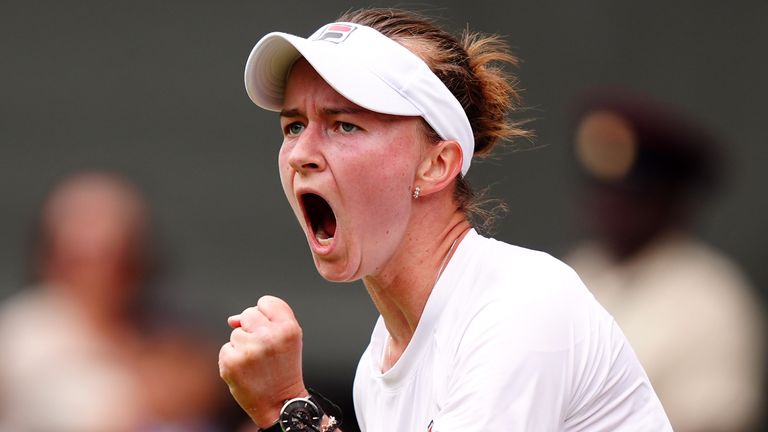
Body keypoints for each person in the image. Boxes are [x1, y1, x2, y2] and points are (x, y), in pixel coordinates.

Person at [219, 8, 671, 431]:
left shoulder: (521, 304)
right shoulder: (377, 366)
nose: (299, 154)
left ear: (435, 165)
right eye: (294, 126)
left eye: (344, 125)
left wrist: (285, 407)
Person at [565, 88, 766, 431]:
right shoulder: (572, 272)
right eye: (603, 191)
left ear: (672, 201)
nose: (611, 208)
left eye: (631, 197)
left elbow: (714, 420)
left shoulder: (713, 297)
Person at [0, 171, 224, 432]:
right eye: (82, 259)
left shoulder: (171, 327)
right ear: (50, 257)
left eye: (118, 256)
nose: (102, 274)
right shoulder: (17, 338)